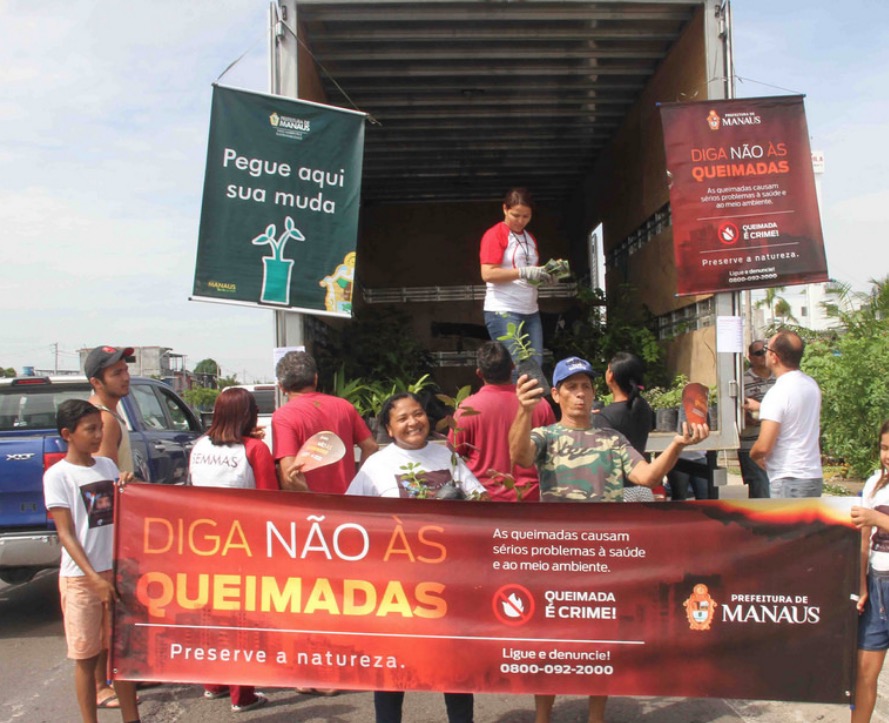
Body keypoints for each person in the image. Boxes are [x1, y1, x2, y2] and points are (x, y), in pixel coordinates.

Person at [509, 356, 709, 723]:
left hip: (604, 563)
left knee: (601, 645)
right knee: (549, 646)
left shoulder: (612, 440)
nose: (580, 394)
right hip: (556, 562)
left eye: (585, 386)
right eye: (571, 387)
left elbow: (648, 476)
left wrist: (677, 445)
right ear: (556, 395)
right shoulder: (545, 436)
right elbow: (519, 456)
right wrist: (523, 411)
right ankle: (542, 717)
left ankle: (596, 717)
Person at [347, 392, 486, 722]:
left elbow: (481, 498)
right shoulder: (376, 465)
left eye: (418, 414)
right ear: (389, 429)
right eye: (403, 418)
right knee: (393, 671)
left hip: (447, 588)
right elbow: (349, 517)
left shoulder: (447, 455)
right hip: (398, 591)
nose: (413, 422)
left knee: (455, 669)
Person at [43, 399, 140, 723]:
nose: (99, 435)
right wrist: (94, 578)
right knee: (86, 657)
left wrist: (131, 485)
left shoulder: (107, 467)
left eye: (99, 427)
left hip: (116, 572)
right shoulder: (58, 475)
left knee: (121, 654)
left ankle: (132, 717)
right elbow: (66, 533)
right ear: (68, 434)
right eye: (91, 430)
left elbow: (124, 513)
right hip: (82, 579)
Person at [188, 387, 273, 712]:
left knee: (214, 614)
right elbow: (270, 502)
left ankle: (214, 683)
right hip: (244, 547)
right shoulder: (255, 450)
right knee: (243, 619)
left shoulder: (199, 447)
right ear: (249, 415)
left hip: (204, 543)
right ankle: (243, 694)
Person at [84, 345, 135, 709]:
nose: (125, 376)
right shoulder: (105, 420)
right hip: (107, 532)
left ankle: (112, 677)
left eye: (124, 369)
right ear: (96, 382)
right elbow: (101, 481)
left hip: (111, 529)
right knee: (106, 609)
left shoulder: (109, 414)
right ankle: (104, 685)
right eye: (116, 373)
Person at [448, 341, 555, 501]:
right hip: (531, 500)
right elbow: (553, 451)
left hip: (486, 503)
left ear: (479, 373)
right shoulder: (538, 404)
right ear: (512, 367)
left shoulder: (467, 409)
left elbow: (451, 457)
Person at [272, 350, 378, 493]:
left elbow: (289, 475)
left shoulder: (284, 416)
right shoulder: (344, 406)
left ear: (281, 387)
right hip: (349, 502)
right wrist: (359, 485)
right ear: (315, 379)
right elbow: (371, 446)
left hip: (313, 508)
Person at [480, 187, 552, 367]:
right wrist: (523, 272)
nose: (520, 221)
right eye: (515, 215)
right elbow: (488, 273)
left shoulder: (530, 238)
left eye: (526, 216)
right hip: (503, 309)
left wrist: (546, 277)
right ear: (505, 209)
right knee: (516, 367)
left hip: (531, 310)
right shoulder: (495, 234)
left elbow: (530, 276)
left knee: (535, 365)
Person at [750, 330, 823, 498]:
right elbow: (794, 417)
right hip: (812, 475)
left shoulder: (777, 393)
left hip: (788, 478)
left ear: (775, 357)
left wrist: (753, 455)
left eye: (767, 349)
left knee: (787, 525)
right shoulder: (811, 384)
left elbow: (763, 446)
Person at [850, 420, 889, 723]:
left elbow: (872, 520)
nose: (887, 454)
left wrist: (877, 517)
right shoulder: (874, 482)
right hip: (876, 588)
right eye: (884, 447)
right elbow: (863, 537)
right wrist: (861, 582)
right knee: (863, 672)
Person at [591, 352, 655, 501]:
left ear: (611, 376)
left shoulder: (604, 416)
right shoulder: (644, 407)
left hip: (618, 493)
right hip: (643, 490)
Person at [738, 339, 775, 498]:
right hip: (751, 445)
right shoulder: (742, 381)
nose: (763, 356)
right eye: (758, 353)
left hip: (774, 445)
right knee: (761, 490)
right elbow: (735, 411)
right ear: (750, 357)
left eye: (766, 351)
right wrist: (745, 418)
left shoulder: (779, 379)